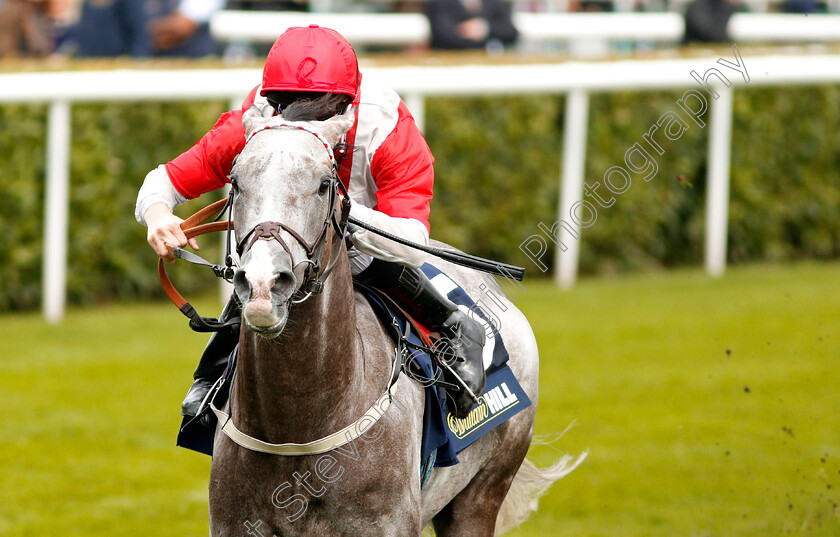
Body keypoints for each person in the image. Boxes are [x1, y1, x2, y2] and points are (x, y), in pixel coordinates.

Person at [135, 25, 487, 421]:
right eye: (286, 104)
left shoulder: (388, 128)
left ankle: (455, 325)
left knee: (368, 263)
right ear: (271, 99)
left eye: (314, 107)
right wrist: (158, 215)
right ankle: (211, 375)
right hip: (281, 251)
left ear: (346, 101)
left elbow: (410, 242)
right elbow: (164, 181)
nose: (295, 119)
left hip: (364, 249)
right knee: (257, 274)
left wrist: (337, 212)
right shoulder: (259, 117)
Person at [425, 0, 518, 52]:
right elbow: (443, 35)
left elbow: (510, 32)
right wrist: (467, 32)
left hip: (490, 60)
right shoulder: (440, 3)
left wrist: (485, 28)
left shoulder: (494, 3)